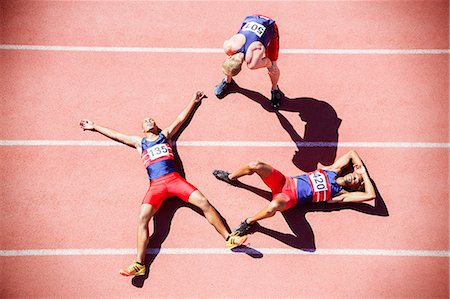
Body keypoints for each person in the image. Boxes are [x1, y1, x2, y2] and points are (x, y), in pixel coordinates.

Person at [79, 91, 247, 277]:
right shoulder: (139, 142)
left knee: (204, 203)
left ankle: (229, 238)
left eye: (152, 119)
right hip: (156, 186)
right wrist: (94, 126)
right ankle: (139, 264)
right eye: (146, 121)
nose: (149, 120)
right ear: (143, 129)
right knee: (142, 219)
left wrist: (193, 100)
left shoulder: (165, 135)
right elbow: (118, 135)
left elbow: (180, 119)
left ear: (156, 126)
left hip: (175, 181)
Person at [213, 150, 376, 236]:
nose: (353, 176)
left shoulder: (340, 194)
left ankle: (249, 222)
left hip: (289, 198)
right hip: (284, 181)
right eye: (354, 174)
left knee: (274, 206)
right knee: (255, 165)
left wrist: (365, 177)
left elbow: (370, 196)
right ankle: (231, 177)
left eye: (356, 180)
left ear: (355, 187)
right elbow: (352, 153)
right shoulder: (333, 170)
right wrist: (361, 169)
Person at [214, 15, 283, 108]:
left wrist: (271, 67)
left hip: (269, 26)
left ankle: (275, 89)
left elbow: (268, 62)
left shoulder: (253, 62)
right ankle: (227, 81)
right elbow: (230, 61)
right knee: (229, 64)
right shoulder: (228, 47)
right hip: (251, 19)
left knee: (273, 68)